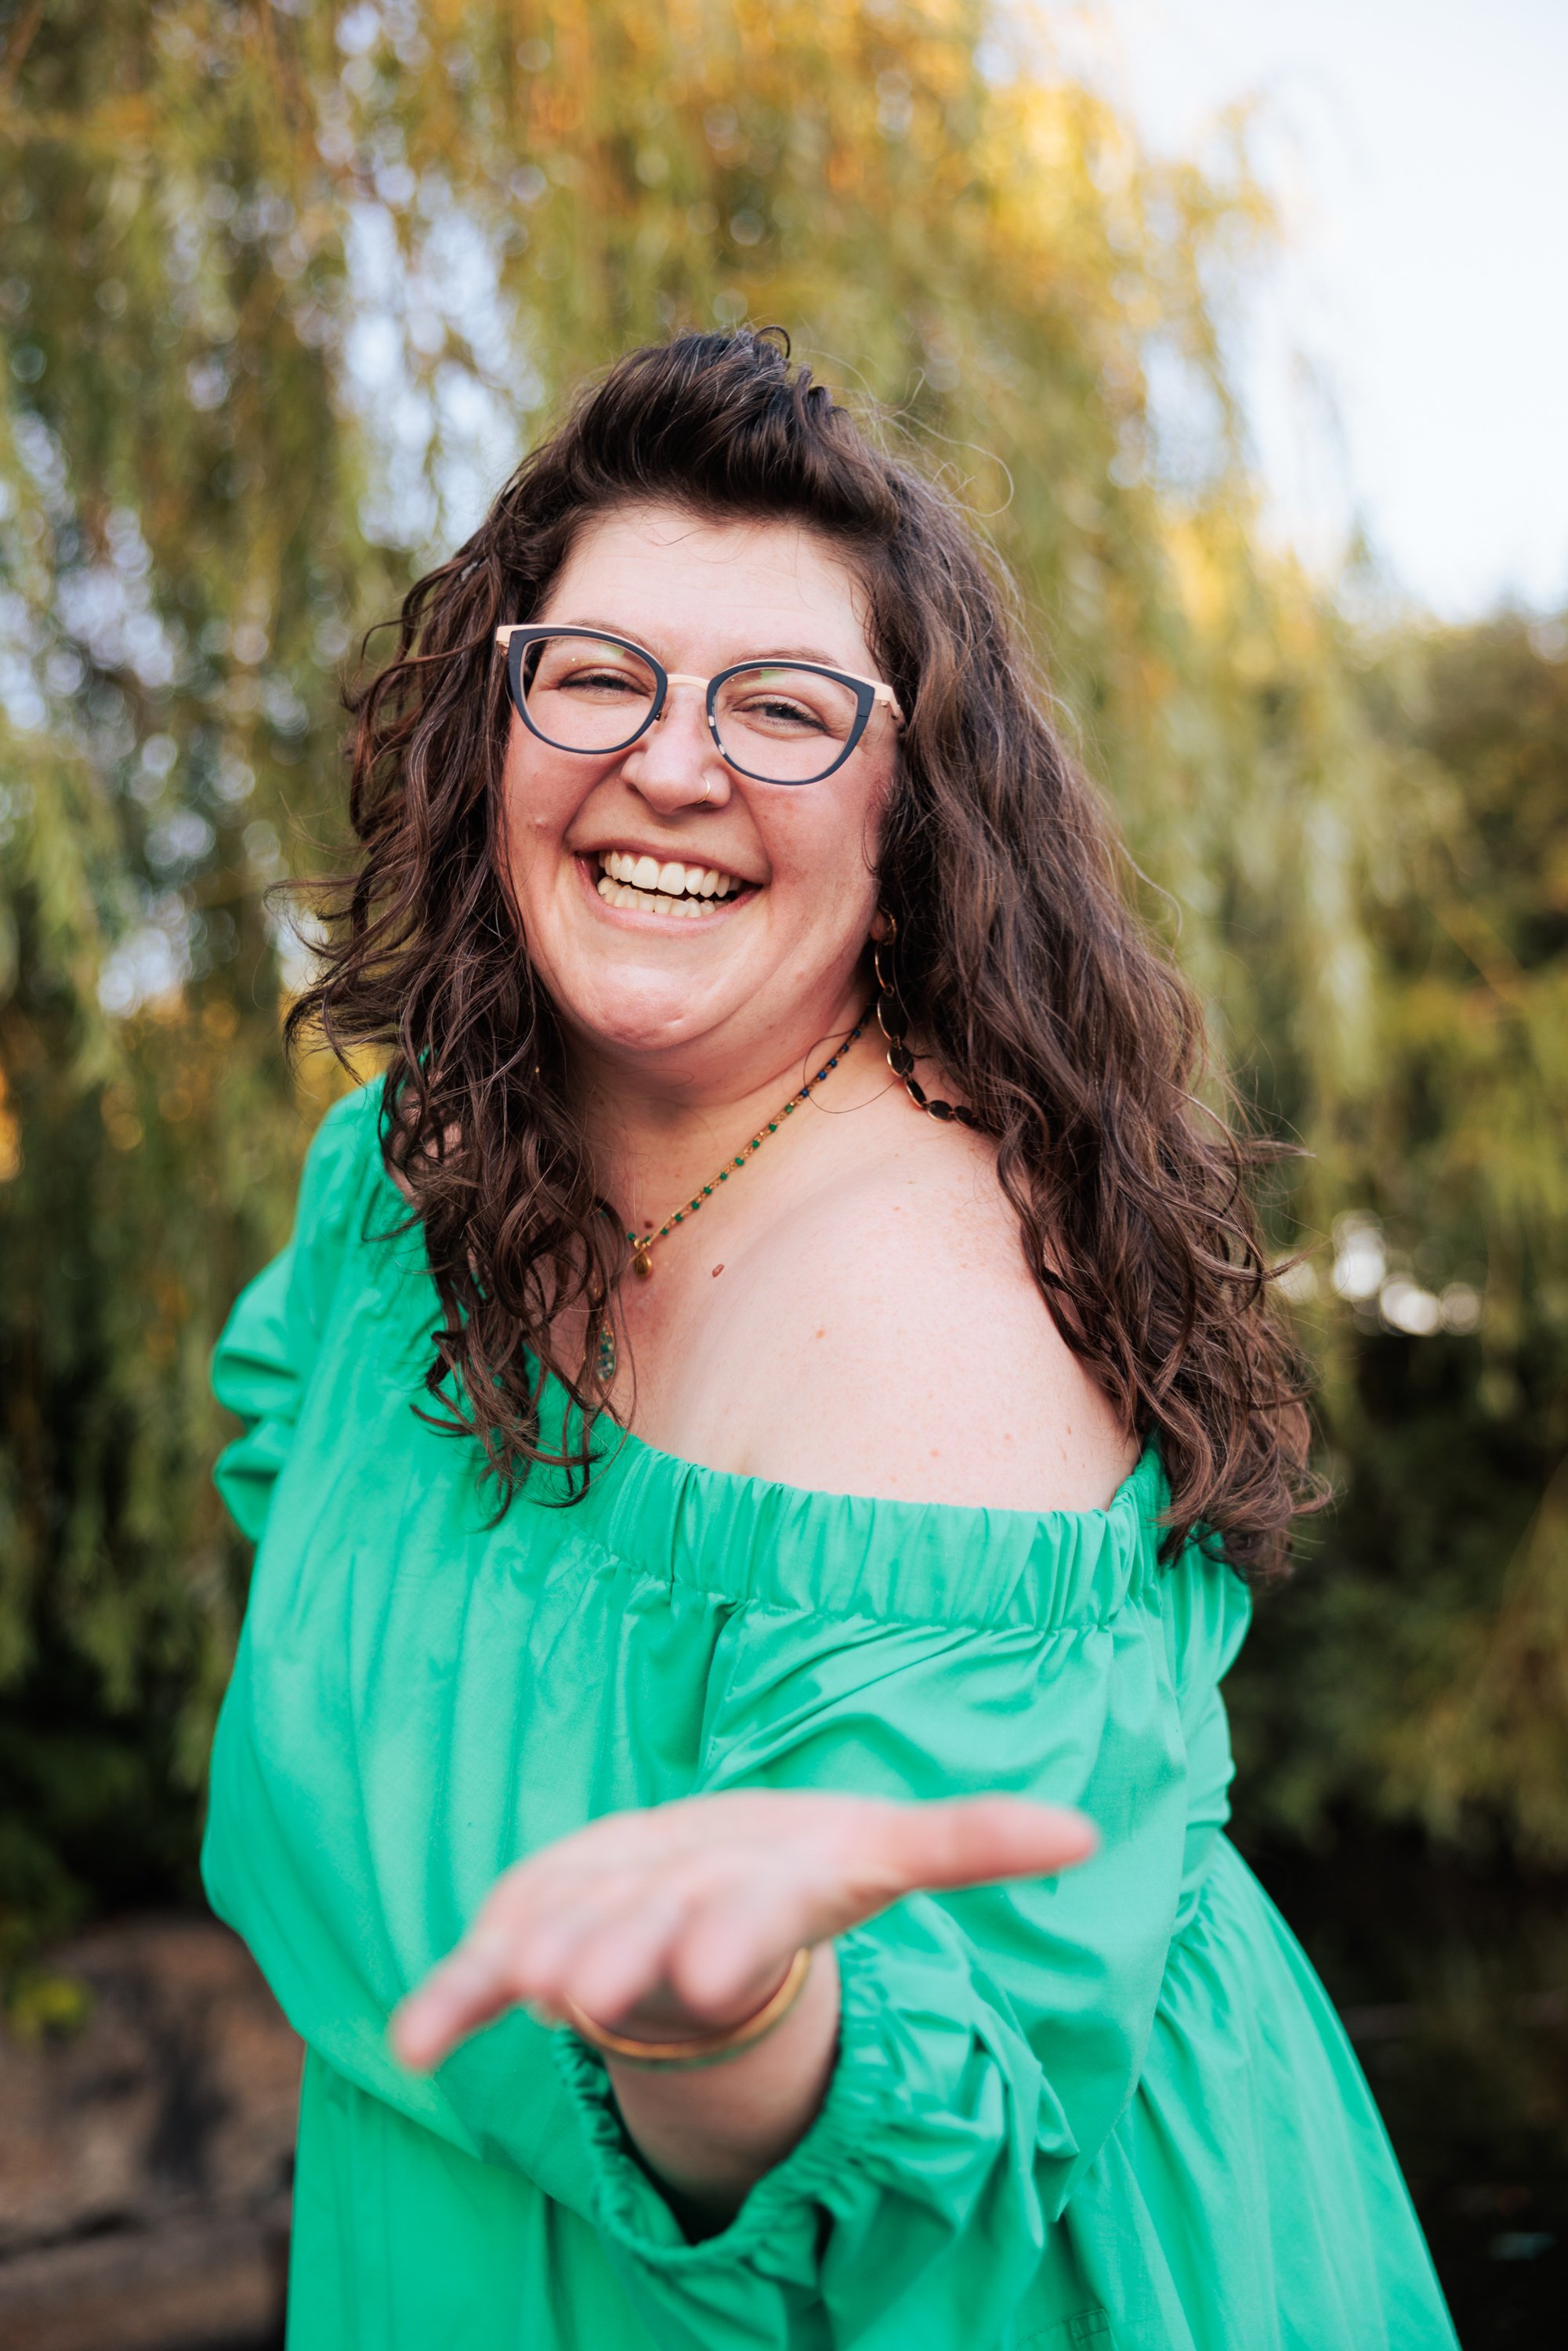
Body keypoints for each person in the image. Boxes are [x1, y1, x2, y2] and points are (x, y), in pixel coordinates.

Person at [202, 329, 1457, 2349]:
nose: (671, 761)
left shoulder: (935, 1347)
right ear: (489, 733)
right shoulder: (404, 1176)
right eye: (596, 675)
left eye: (784, 708)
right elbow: (315, 1494)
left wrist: (729, 2017)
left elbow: (895, 2205)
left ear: (913, 815)